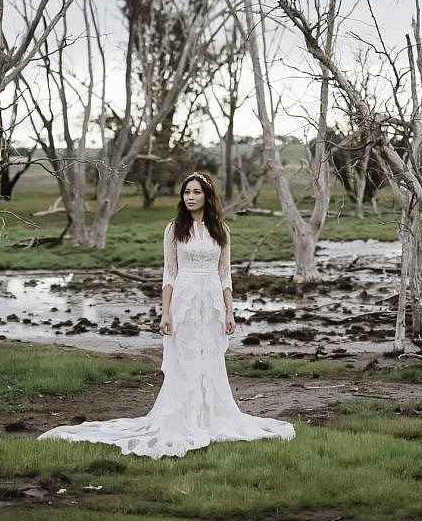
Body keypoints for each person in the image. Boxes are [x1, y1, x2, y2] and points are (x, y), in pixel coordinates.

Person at [37, 172, 295, 459]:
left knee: (209, 358)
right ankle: (180, 419)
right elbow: (169, 273)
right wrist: (166, 312)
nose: (190, 197)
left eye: (196, 192)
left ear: (207, 197)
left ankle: (209, 418)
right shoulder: (174, 229)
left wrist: (230, 311)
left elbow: (225, 273)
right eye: (186, 192)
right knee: (184, 360)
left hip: (211, 304)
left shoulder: (221, 230)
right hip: (184, 301)